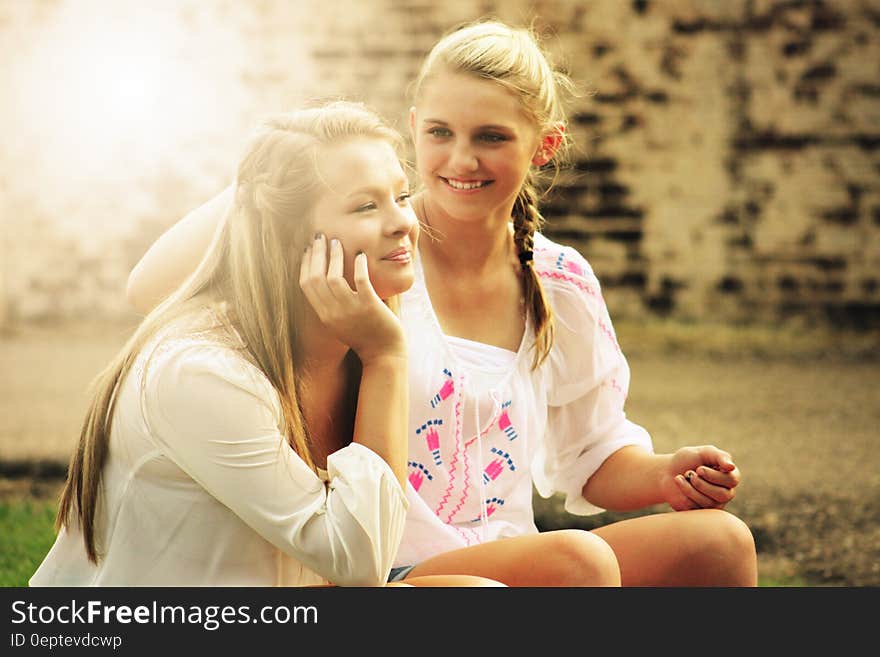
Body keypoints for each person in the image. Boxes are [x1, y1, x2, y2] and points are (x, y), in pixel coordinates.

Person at [125, 22, 758, 586]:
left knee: (719, 544)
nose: (461, 159)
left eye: (490, 136)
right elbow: (152, 291)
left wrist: (665, 473)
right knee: (579, 563)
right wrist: (274, 167)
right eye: (440, 132)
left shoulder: (560, 279)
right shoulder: (371, 251)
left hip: (517, 552)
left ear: (544, 145)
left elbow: (590, 455)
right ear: (412, 129)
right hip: (388, 560)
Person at [30, 100, 501, 587]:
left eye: (401, 197)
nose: (404, 221)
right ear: (288, 236)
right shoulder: (202, 372)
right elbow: (361, 564)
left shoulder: (350, 346)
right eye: (365, 205)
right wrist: (387, 357)